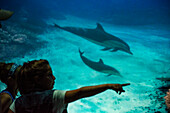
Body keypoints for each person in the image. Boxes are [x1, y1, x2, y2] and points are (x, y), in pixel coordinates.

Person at [8, 59, 130, 113]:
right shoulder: (54, 97)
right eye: (50, 75)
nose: (54, 78)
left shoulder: (18, 103)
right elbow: (80, 92)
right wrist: (108, 85)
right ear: (38, 79)